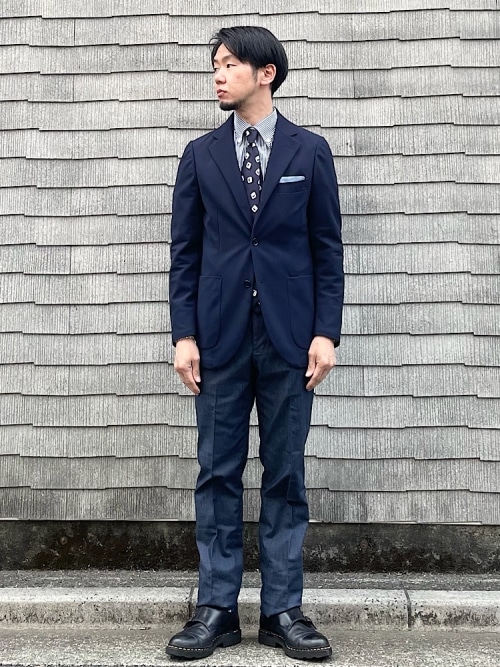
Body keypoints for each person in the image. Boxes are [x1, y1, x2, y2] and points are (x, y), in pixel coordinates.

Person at [166, 25, 344, 661]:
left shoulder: (309, 152)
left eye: (229, 64)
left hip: (291, 340)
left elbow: (327, 249)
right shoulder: (200, 155)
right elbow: (186, 254)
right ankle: (215, 609)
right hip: (218, 340)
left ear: (266, 72)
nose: (218, 75)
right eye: (214, 65)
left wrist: (325, 332)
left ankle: (282, 610)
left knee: (285, 472)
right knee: (217, 471)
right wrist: (184, 334)